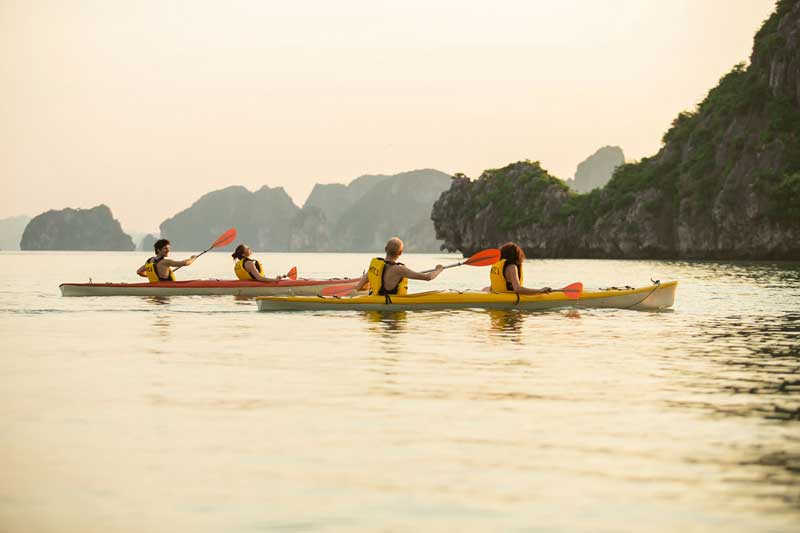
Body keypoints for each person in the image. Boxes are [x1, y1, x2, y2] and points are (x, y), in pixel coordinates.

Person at [354, 237, 444, 301]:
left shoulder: (374, 267)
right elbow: (428, 277)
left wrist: (373, 283)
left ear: (385, 249)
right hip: (392, 308)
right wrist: (439, 270)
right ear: (400, 252)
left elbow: (358, 288)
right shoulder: (400, 270)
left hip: (376, 304)